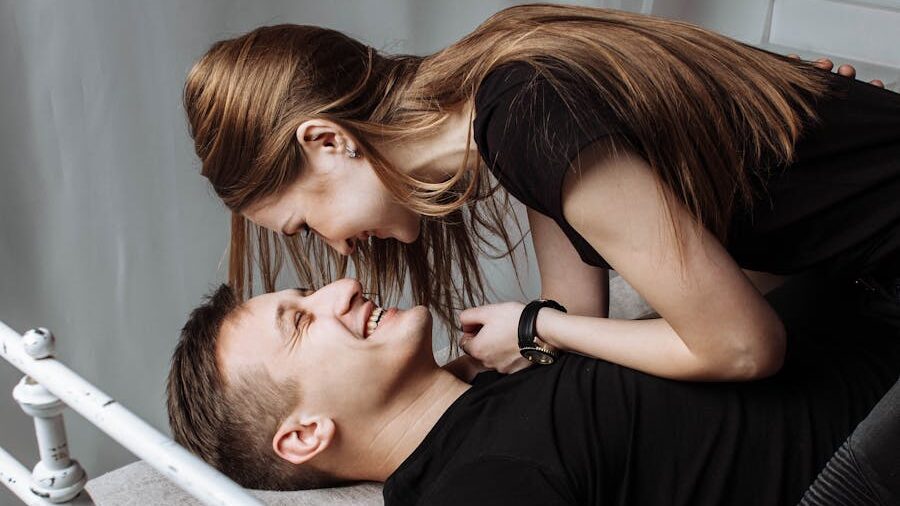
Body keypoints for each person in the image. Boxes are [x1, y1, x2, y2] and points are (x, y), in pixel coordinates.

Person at [183, 4, 900, 382]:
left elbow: (743, 348)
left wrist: (536, 329)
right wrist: (476, 361)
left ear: (325, 141)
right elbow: (575, 310)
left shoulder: (529, 115)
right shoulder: (504, 87)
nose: (337, 251)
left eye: (306, 225)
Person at [166, 279, 900, 505]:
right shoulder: (474, 489)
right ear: (303, 435)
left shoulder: (500, 391)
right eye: (301, 320)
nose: (342, 287)